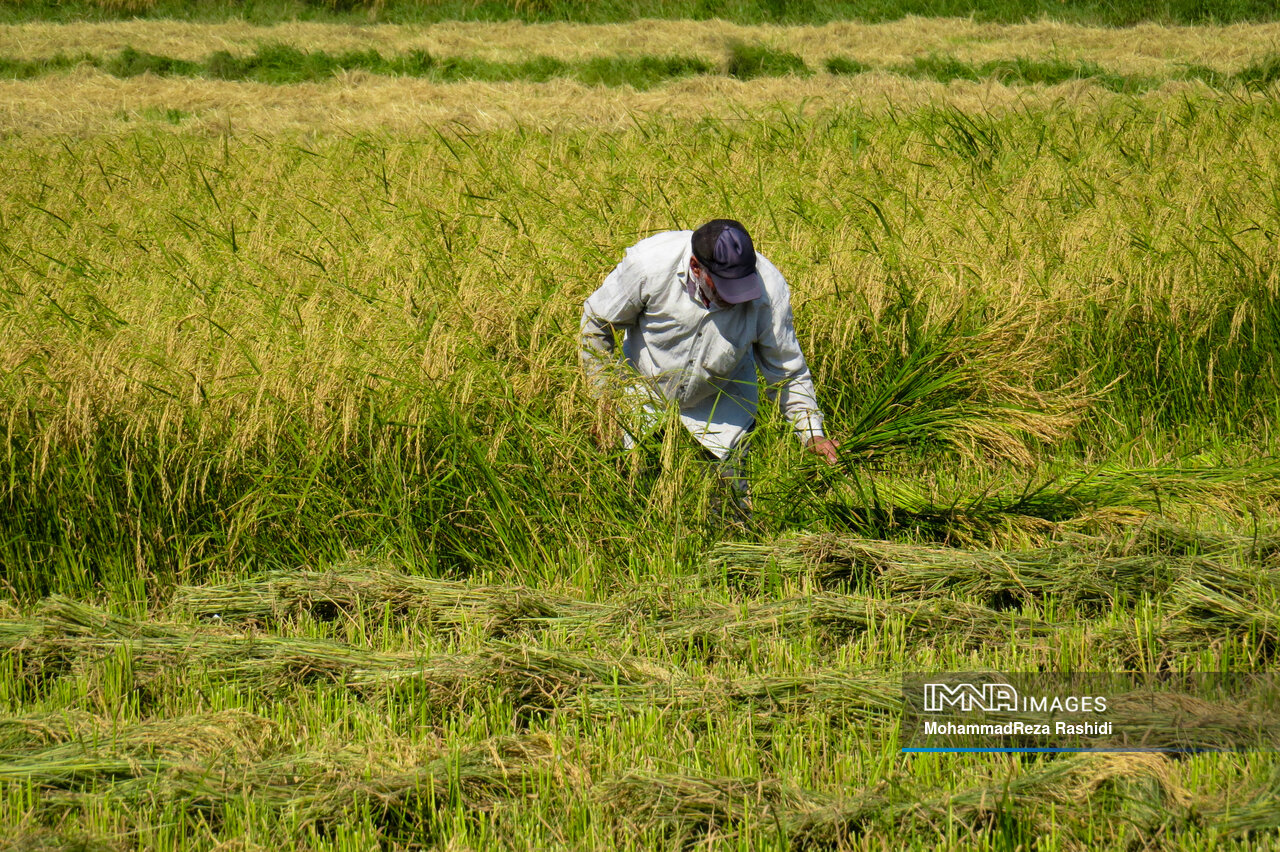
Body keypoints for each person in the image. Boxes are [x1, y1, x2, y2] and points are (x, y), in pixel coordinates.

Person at [580, 219, 839, 515]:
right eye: (725, 288)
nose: (735, 299)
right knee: (634, 507)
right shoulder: (649, 265)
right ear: (696, 267)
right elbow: (597, 322)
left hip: (721, 412)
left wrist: (811, 433)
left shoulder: (769, 290)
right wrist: (605, 402)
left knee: (731, 517)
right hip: (644, 400)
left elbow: (786, 371)